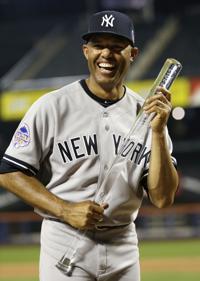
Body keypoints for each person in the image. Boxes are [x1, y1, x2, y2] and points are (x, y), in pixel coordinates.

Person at [0, 10, 179, 281]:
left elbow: (163, 198)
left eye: (117, 47)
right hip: (64, 238)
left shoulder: (149, 114)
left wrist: (157, 132)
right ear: (86, 51)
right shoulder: (52, 106)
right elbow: (10, 173)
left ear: (133, 54)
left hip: (123, 244)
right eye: (98, 45)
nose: (106, 53)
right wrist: (64, 209)